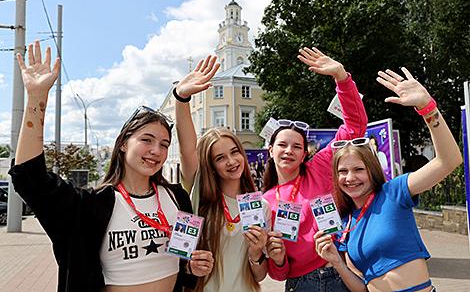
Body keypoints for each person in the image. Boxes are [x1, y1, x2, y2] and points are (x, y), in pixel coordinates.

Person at [8, 41, 214, 292]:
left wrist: (192, 267)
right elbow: (30, 179)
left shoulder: (177, 198)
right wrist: (37, 98)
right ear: (123, 144)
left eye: (164, 144)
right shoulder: (93, 204)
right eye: (146, 140)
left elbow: (184, 265)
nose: (156, 151)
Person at [315, 67, 462, 292]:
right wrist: (336, 262)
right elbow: (361, 288)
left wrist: (427, 108)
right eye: (342, 172)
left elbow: (448, 160)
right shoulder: (346, 222)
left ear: (372, 169)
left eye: (358, 169)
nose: (350, 177)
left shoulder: (394, 192)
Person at [263, 46, 368, 292]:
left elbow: (355, 128)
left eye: (296, 146)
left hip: (340, 273)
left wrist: (342, 78)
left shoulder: (318, 168)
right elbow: (278, 273)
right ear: (270, 151)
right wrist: (276, 259)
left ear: (304, 154)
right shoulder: (265, 201)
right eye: (282, 145)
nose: (289, 151)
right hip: (301, 284)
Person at [174, 55, 272, 292]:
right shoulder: (198, 197)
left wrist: (257, 252)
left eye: (234, 152)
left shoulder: (260, 205)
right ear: (210, 165)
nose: (231, 162)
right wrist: (182, 98)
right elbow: (187, 147)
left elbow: (259, 275)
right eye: (220, 158)